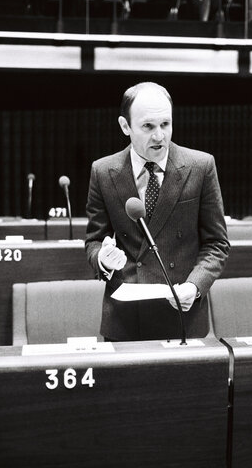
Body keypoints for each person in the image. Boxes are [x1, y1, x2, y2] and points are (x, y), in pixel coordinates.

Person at [85, 82, 230, 342]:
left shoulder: (201, 166)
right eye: (148, 126)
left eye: (166, 124)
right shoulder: (102, 172)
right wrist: (103, 259)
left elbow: (217, 244)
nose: (159, 136)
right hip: (126, 318)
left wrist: (195, 286)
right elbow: (94, 240)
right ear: (125, 126)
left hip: (182, 314)